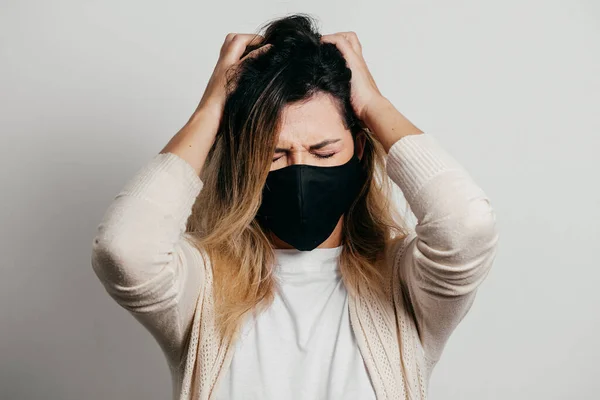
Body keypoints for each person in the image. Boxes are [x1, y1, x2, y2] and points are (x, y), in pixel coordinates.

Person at [91, 13, 499, 400]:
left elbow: (467, 226)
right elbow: (124, 249)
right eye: (274, 155)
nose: (300, 171)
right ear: (244, 164)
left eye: (323, 152)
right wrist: (210, 110)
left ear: (358, 150)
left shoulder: (405, 285)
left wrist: (373, 103)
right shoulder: (200, 287)